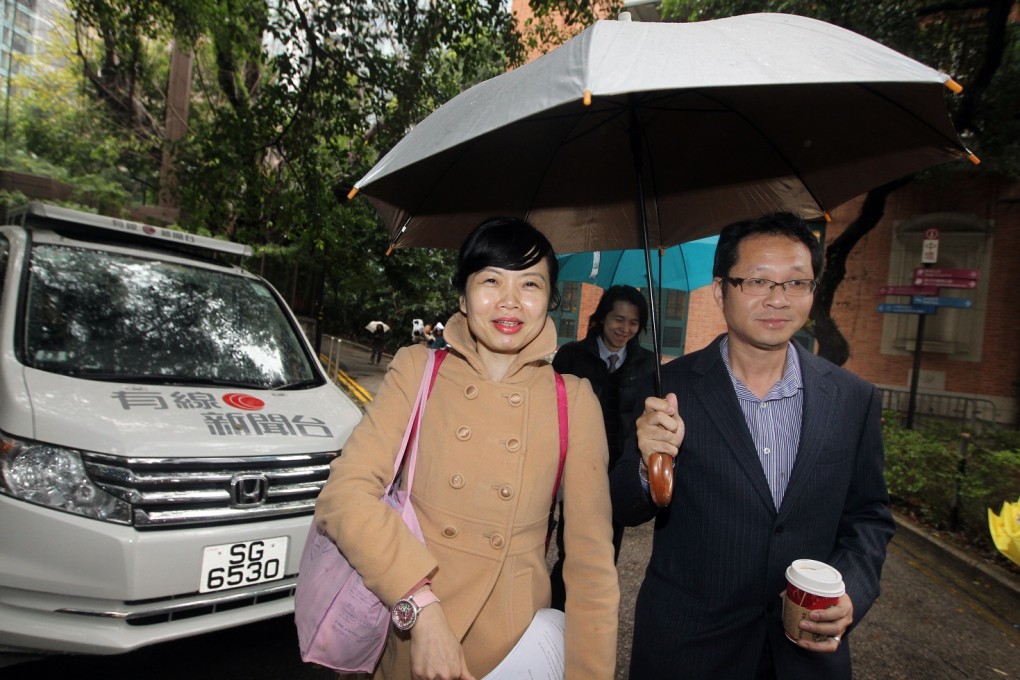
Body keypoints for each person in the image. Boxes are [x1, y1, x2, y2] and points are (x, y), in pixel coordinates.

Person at [315, 216, 619, 680]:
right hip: (408, 626)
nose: (510, 300)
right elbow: (344, 495)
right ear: (462, 296)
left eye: (531, 284)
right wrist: (422, 607)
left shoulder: (573, 399)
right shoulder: (417, 368)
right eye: (491, 280)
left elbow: (591, 567)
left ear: (550, 301)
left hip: (511, 650)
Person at [610, 212, 895, 679]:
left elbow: (868, 517)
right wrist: (647, 463)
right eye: (758, 281)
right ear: (721, 290)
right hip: (689, 648)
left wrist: (852, 593)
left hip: (804, 652)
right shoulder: (666, 387)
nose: (778, 299)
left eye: (796, 282)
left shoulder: (852, 399)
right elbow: (621, 504)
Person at [548, 285, 657, 609]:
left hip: (621, 470)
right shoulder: (571, 356)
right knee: (572, 547)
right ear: (601, 318)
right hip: (578, 468)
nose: (624, 329)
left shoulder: (648, 365)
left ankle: (591, 620)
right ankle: (557, 617)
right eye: (618, 319)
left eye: (633, 323)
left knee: (606, 551)